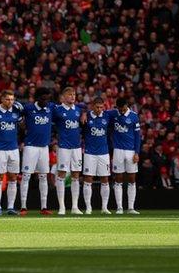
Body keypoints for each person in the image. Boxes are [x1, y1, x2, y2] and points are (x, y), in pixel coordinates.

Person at [0, 90, 24, 216]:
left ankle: (10, 207)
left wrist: (22, 112)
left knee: (13, 178)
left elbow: (23, 126)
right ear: (2, 99)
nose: (10, 102)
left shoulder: (16, 111)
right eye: (8, 99)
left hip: (13, 149)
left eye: (12, 99)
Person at [21, 88, 57, 215]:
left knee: (43, 176)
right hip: (30, 146)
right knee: (26, 176)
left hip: (44, 147)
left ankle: (44, 207)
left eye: (47, 99)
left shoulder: (51, 107)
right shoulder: (28, 108)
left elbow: (75, 106)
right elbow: (17, 115)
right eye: (43, 99)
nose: (46, 101)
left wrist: (85, 112)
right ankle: (23, 207)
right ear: (37, 98)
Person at [53, 87, 87, 215]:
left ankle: (74, 207)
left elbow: (85, 108)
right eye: (69, 94)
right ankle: (61, 207)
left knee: (76, 175)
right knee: (61, 174)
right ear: (63, 97)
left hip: (77, 147)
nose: (72, 96)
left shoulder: (78, 110)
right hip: (63, 147)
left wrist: (84, 112)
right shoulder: (57, 110)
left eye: (74, 94)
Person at [83, 95, 115, 214]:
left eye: (101, 107)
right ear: (92, 106)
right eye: (97, 107)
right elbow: (79, 106)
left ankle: (104, 207)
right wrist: (84, 112)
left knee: (105, 179)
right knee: (88, 179)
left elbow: (119, 110)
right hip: (89, 153)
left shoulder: (107, 115)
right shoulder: (87, 116)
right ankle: (88, 207)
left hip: (104, 153)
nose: (99, 109)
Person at [111, 96, 142, 215]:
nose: (121, 111)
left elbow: (138, 136)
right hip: (118, 150)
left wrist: (137, 152)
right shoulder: (114, 114)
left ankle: (131, 207)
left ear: (126, 106)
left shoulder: (134, 116)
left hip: (130, 151)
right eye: (120, 109)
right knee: (118, 179)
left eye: (123, 109)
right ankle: (119, 207)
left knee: (132, 179)